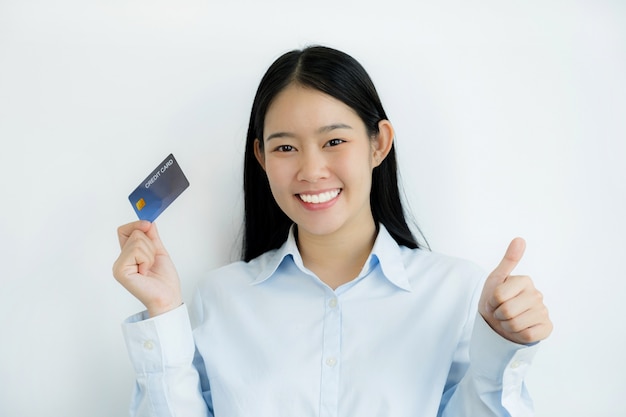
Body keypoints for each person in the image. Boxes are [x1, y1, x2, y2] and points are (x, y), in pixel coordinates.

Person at [113, 46, 552, 417]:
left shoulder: (456, 291)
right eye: (285, 147)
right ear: (262, 158)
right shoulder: (221, 297)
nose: (311, 170)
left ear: (378, 143)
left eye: (334, 141)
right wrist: (163, 311)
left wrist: (502, 348)